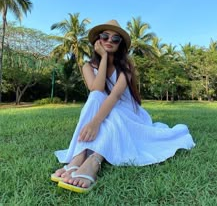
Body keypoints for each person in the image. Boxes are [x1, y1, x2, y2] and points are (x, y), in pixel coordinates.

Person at [51, 19, 196, 193]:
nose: (109, 41)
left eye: (115, 39)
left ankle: (94, 159)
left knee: (113, 112)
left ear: (120, 45)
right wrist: (104, 58)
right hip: (102, 108)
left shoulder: (125, 66)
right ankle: (79, 156)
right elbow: (96, 89)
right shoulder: (87, 67)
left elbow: (115, 96)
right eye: (105, 36)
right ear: (98, 40)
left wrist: (95, 122)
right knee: (97, 96)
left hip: (127, 111)